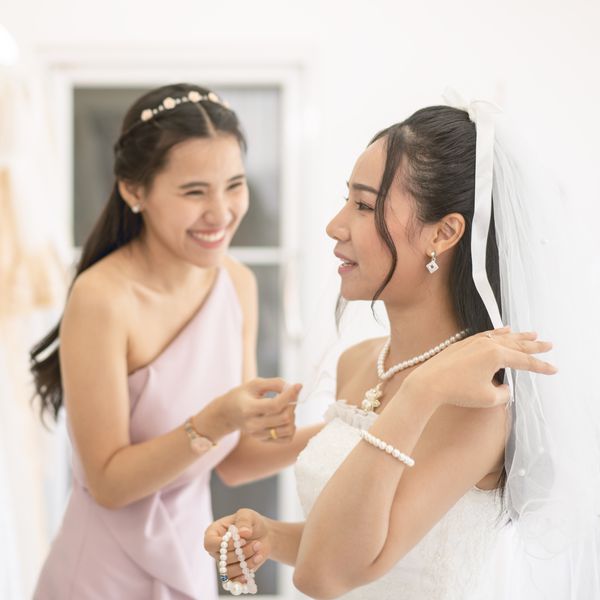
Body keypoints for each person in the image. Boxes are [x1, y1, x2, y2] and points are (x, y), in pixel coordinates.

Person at [204, 103, 600, 599]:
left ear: (444, 233)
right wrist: (270, 535)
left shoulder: (479, 402)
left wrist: (421, 391)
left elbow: (323, 575)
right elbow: (360, 542)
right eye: (346, 201)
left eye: (365, 207)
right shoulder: (361, 362)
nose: (335, 225)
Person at [30, 83, 322, 600]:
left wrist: (352, 431)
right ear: (133, 190)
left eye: (234, 185)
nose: (222, 212)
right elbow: (109, 483)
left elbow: (234, 459)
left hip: (189, 561)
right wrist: (218, 418)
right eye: (194, 192)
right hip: (100, 575)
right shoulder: (102, 298)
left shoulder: (238, 285)